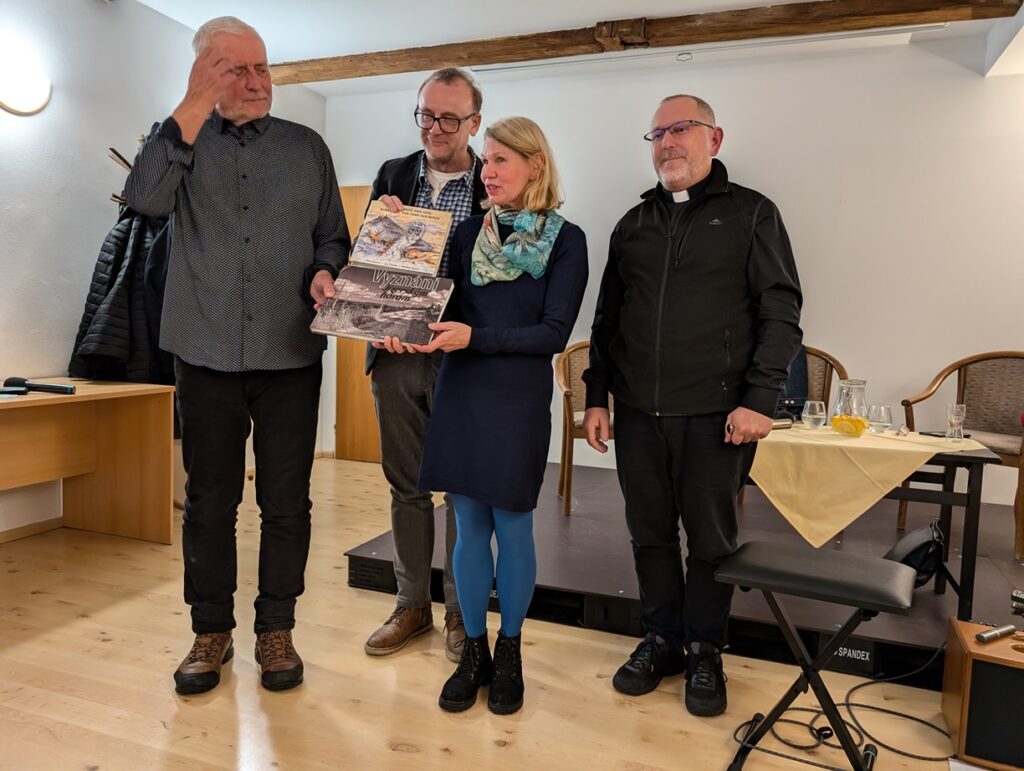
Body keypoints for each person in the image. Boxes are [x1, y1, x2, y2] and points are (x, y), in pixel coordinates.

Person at [124, 16, 349, 695]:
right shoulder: (175, 143)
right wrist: (191, 108)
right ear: (206, 75)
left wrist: (324, 271)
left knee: (287, 503)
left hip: (289, 354)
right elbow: (142, 201)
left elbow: (332, 237)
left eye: (263, 68)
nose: (258, 83)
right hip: (205, 351)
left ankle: (275, 628)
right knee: (208, 503)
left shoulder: (308, 148)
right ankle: (210, 631)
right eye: (238, 70)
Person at [582, 94, 802, 717]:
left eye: (681, 129)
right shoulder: (633, 224)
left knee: (711, 540)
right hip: (640, 415)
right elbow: (607, 322)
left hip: (718, 415)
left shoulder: (753, 214)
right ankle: (662, 640)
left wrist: (761, 399)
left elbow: (781, 313)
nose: (668, 142)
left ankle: (706, 648)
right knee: (648, 535)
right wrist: (598, 396)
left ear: (715, 137)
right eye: (656, 133)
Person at [384, 117, 588, 715]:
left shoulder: (567, 239)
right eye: (487, 161)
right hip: (461, 394)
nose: (488, 170)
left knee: (514, 529)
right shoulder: (466, 230)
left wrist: (473, 336)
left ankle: (512, 651)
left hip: (518, 399)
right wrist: (396, 238)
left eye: (501, 160)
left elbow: (552, 333)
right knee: (469, 528)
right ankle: (474, 651)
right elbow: (430, 302)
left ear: (536, 167)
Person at [362, 68, 486, 663]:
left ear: (475, 123)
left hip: (463, 360)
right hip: (395, 357)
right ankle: (411, 605)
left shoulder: (499, 181)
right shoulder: (392, 175)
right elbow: (368, 267)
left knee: (463, 490)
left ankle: (462, 616)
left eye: (449, 118)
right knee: (406, 486)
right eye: (426, 115)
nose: (434, 129)